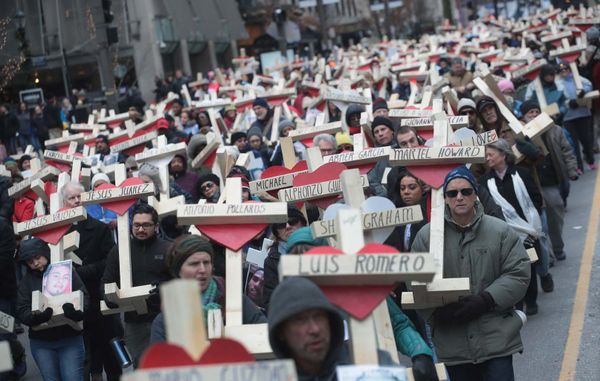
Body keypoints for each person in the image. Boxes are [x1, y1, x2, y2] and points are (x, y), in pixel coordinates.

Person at [412, 166, 530, 380]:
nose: (459, 197)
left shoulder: (500, 231)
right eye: (452, 193)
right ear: (445, 198)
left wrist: (487, 299)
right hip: (453, 342)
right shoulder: (426, 237)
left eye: (466, 191)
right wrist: (437, 315)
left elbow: (518, 272)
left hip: (496, 338)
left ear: (475, 194)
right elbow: (416, 282)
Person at [268, 277, 439, 381]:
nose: (314, 329)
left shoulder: (376, 367)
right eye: (300, 320)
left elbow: (398, 323)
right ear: (281, 332)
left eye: (319, 316)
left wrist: (420, 352)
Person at [150, 235, 266, 343]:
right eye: (194, 264)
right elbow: (160, 362)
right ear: (178, 270)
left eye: (206, 262)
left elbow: (264, 335)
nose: (202, 269)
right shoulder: (165, 321)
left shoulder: (234, 301)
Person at [61, 181, 123, 380]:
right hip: (74, 298)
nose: (77, 201)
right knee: (84, 350)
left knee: (108, 345)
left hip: (99, 294)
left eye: (80, 196)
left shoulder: (99, 228)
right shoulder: (59, 230)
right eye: (72, 198)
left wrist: (84, 272)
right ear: (64, 202)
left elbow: (111, 260)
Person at [101, 204, 172, 367]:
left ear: (156, 226)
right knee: (142, 366)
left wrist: (164, 288)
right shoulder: (119, 251)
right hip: (134, 322)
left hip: (164, 317)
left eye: (146, 225)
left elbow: (181, 281)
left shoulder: (168, 248)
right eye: (137, 225)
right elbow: (107, 280)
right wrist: (109, 297)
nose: (141, 229)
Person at [480, 140, 544, 315]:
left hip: (527, 232)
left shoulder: (521, 174)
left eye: (490, 154)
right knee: (510, 269)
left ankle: (531, 300)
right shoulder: (485, 181)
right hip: (503, 233)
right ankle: (518, 303)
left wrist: (529, 223)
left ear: (503, 154)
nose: (487, 158)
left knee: (528, 266)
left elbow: (535, 198)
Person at [17, 238, 89, 381]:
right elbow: (21, 310)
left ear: (45, 253)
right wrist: (36, 317)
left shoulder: (66, 272)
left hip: (70, 337)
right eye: (30, 262)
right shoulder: (26, 282)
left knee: (73, 378)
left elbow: (85, 298)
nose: (35, 263)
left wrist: (76, 312)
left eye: (37, 258)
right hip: (42, 342)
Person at [263, 206, 308, 308]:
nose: (287, 226)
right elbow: (270, 301)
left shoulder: (319, 246)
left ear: (303, 223)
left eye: (293, 221)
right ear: (276, 232)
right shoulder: (271, 261)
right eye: (281, 224)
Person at [555, 63, 596, 172]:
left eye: (565, 69)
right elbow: (557, 97)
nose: (564, 72)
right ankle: (578, 166)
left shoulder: (577, 78)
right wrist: (568, 103)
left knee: (586, 140)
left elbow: (589, 84)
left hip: (583, 113)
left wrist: (583, 91)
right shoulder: (558, 83)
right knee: (573, 143)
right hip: (568, 117)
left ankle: (590, 160)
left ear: (569, 69)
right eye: (561, 70)